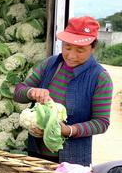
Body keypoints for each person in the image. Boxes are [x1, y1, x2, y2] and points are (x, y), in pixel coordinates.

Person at [13, 16, 113, 165]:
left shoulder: (100, 78)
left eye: (80, 50)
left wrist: (68, 130)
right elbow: (18, 93)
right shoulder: (51, 64)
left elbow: (101, 122)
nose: (71, 55)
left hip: (71, 162)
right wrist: (31, 92)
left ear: (93, 48)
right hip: (36, 156)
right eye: (67, 47)